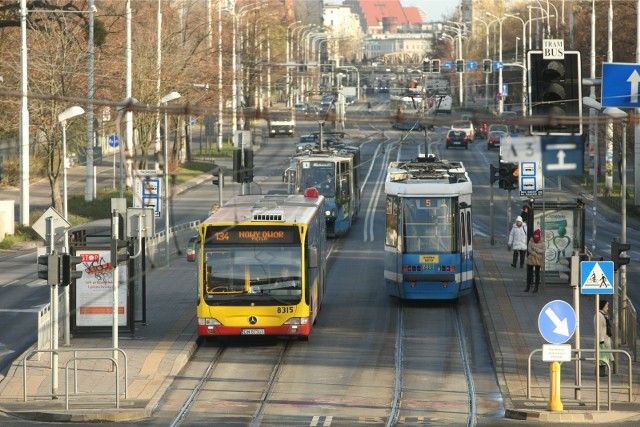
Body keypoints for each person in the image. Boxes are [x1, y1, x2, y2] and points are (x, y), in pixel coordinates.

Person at [595, 299, 614, 376]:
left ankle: (601, 372)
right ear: (602, 307)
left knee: (604, 356)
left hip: (604, 339)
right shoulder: (599, 316)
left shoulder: (603, 315)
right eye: (606, 306)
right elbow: (598, 328)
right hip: (602, 340)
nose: (607, 308)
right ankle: (600, 373)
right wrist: (601, 340)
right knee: (602, 357)